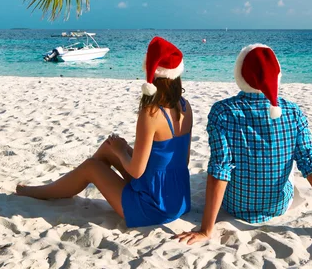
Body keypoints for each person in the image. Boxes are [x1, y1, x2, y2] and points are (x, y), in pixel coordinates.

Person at [177, 44, 312, 244]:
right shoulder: (292, 112)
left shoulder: (222, 111)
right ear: (277, 76)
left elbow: (220, 170)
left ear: (239, 74)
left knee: (223, 164)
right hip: (278, 206)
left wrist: (206, 230)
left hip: (235, 205)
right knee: (298, 159)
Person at [17, 36, 193, 228]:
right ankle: (68, 185)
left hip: (153, 208)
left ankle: (43, 191)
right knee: (109, 147)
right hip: (177, 200)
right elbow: (183, 161)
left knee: (91, 166)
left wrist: (120, 151)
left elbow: (136, 170)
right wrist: (119, 149)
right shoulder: (185, 106)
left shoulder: (151, 112)